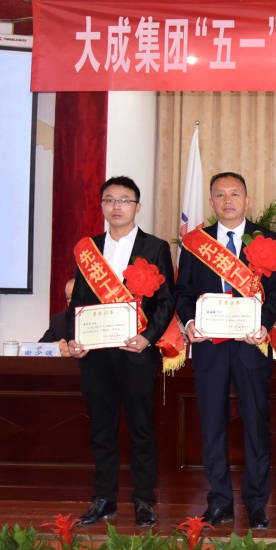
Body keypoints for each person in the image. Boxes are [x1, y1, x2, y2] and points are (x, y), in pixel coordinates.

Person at [174, 172, 276, 530]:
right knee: (212, 425)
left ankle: (256, 504)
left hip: (251, 346)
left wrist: (263, 324)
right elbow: (182, 292)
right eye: (220, 195)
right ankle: (220, 502)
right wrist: (191, 322)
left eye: (234, 194)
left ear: (247, 200)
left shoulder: (267, 239)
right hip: (210, 348)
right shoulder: (196, 242)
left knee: (256, 425)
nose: (227, 200)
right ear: (211, 202)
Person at [67, 176, 175, 528]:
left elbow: (166, 301)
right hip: (96, 354)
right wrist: (74, 338)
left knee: (142, 428)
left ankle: (144, 499)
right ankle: (103, 498)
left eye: (124, 200)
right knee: (101, 428)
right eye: (110, 200)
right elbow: (78, 300)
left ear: (137, 207)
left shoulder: (155, 247)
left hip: (136, 352)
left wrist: (148, 337)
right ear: (102, 206)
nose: (117, 206)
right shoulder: (88, 249)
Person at [40, 279, 75, 356]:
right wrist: (55, 347)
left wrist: (73, 352)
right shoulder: (58, 320)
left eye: (73, 297)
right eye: (68, 298)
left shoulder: (97, 320)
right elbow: (40, 347)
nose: (70, 302)